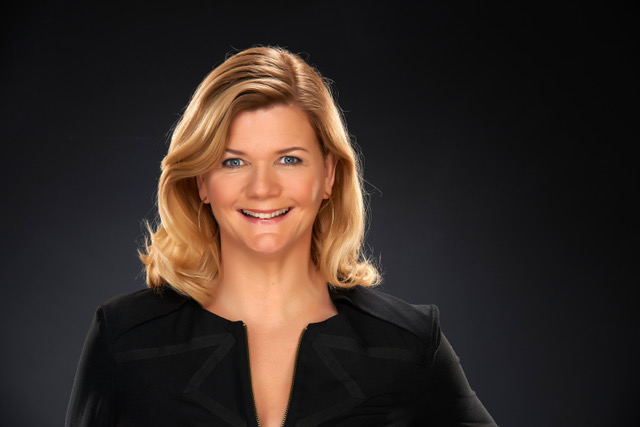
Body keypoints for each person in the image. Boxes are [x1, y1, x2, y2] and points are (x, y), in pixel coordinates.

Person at [66, 46, 498, 427]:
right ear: (201, 181)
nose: (262, 188)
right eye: (233, 162)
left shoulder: (409, 344)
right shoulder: (124, 338)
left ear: (328, 174)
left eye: (289, 159)